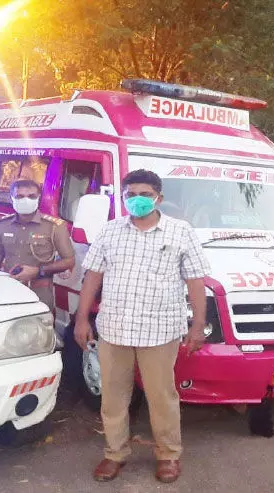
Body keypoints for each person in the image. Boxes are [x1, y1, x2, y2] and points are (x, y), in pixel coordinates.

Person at [74, 169, 211, 484]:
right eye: (131, 194)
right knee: (113, 397)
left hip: (159, 330)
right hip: (114, 328)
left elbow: (195, 280)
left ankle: (168, 456)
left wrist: (198, 325)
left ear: (159, 198)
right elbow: (93, 275)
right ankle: (114, 454)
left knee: (162, 396)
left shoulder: (180, 231)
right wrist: (82, 318)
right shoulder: (109, 231)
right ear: (122, 198)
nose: (138, 200)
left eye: (145, 194)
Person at [0, 179, 75, 311]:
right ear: (11, 199)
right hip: (9, 289)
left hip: (39, 292)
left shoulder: (54, 226)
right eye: (20, 196)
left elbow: (69, 261)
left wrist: (38, 271)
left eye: (31, 196)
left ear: (38, 199)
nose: (26, 200)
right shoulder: (3, 224)